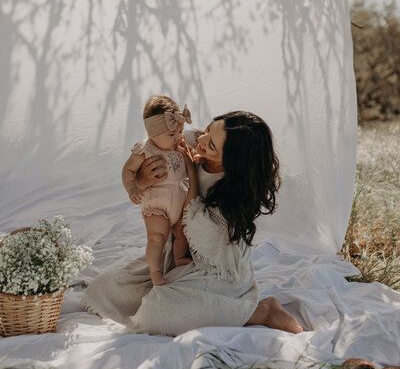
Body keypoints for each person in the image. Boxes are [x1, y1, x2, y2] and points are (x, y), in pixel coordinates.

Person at [83, 111, 303, 335]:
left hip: (216, 270)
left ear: (232, 162)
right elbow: (145, 164)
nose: (200, 140)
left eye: (212, 146)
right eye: (208, 130)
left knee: (155, 312)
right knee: (104, 288)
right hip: (177, 255)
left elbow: (195, 222)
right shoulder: (186, 142)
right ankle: (179, 292)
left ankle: (261, 311)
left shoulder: (236, 193)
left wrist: (190, 169)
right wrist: (142, 181)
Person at [121, 95, 193, 285]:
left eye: (180, 131)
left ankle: (179, 260)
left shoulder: (180, 146)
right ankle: (155, 273)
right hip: (156, 204)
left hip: (179, 202)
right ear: (153, 134)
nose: (177, 137)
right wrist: (132, 188)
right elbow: (128, 170)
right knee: (156, 238)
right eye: (171, 134)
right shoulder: (145, 149)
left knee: (181, 232)